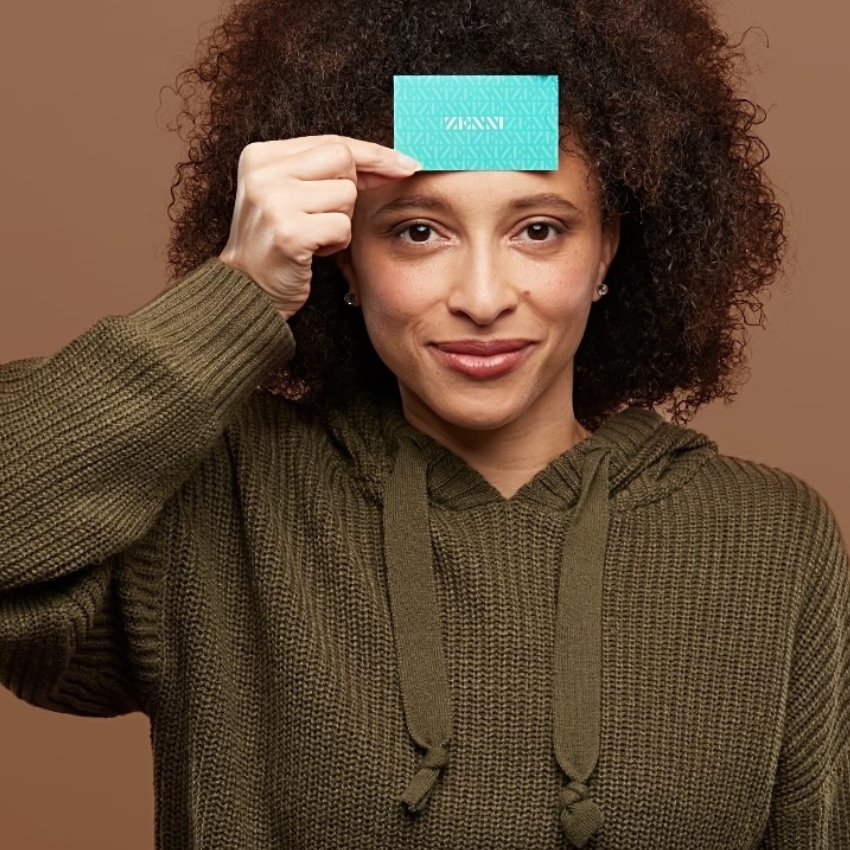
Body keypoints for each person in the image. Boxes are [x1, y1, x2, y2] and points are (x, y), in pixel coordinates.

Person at [0, 0, 847, 847]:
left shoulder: (773, 541)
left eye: (540, 229)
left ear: (607, 251)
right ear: (343, 261)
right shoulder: (213, 501)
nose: (482, 297)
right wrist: (238, 291)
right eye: (418, 231)